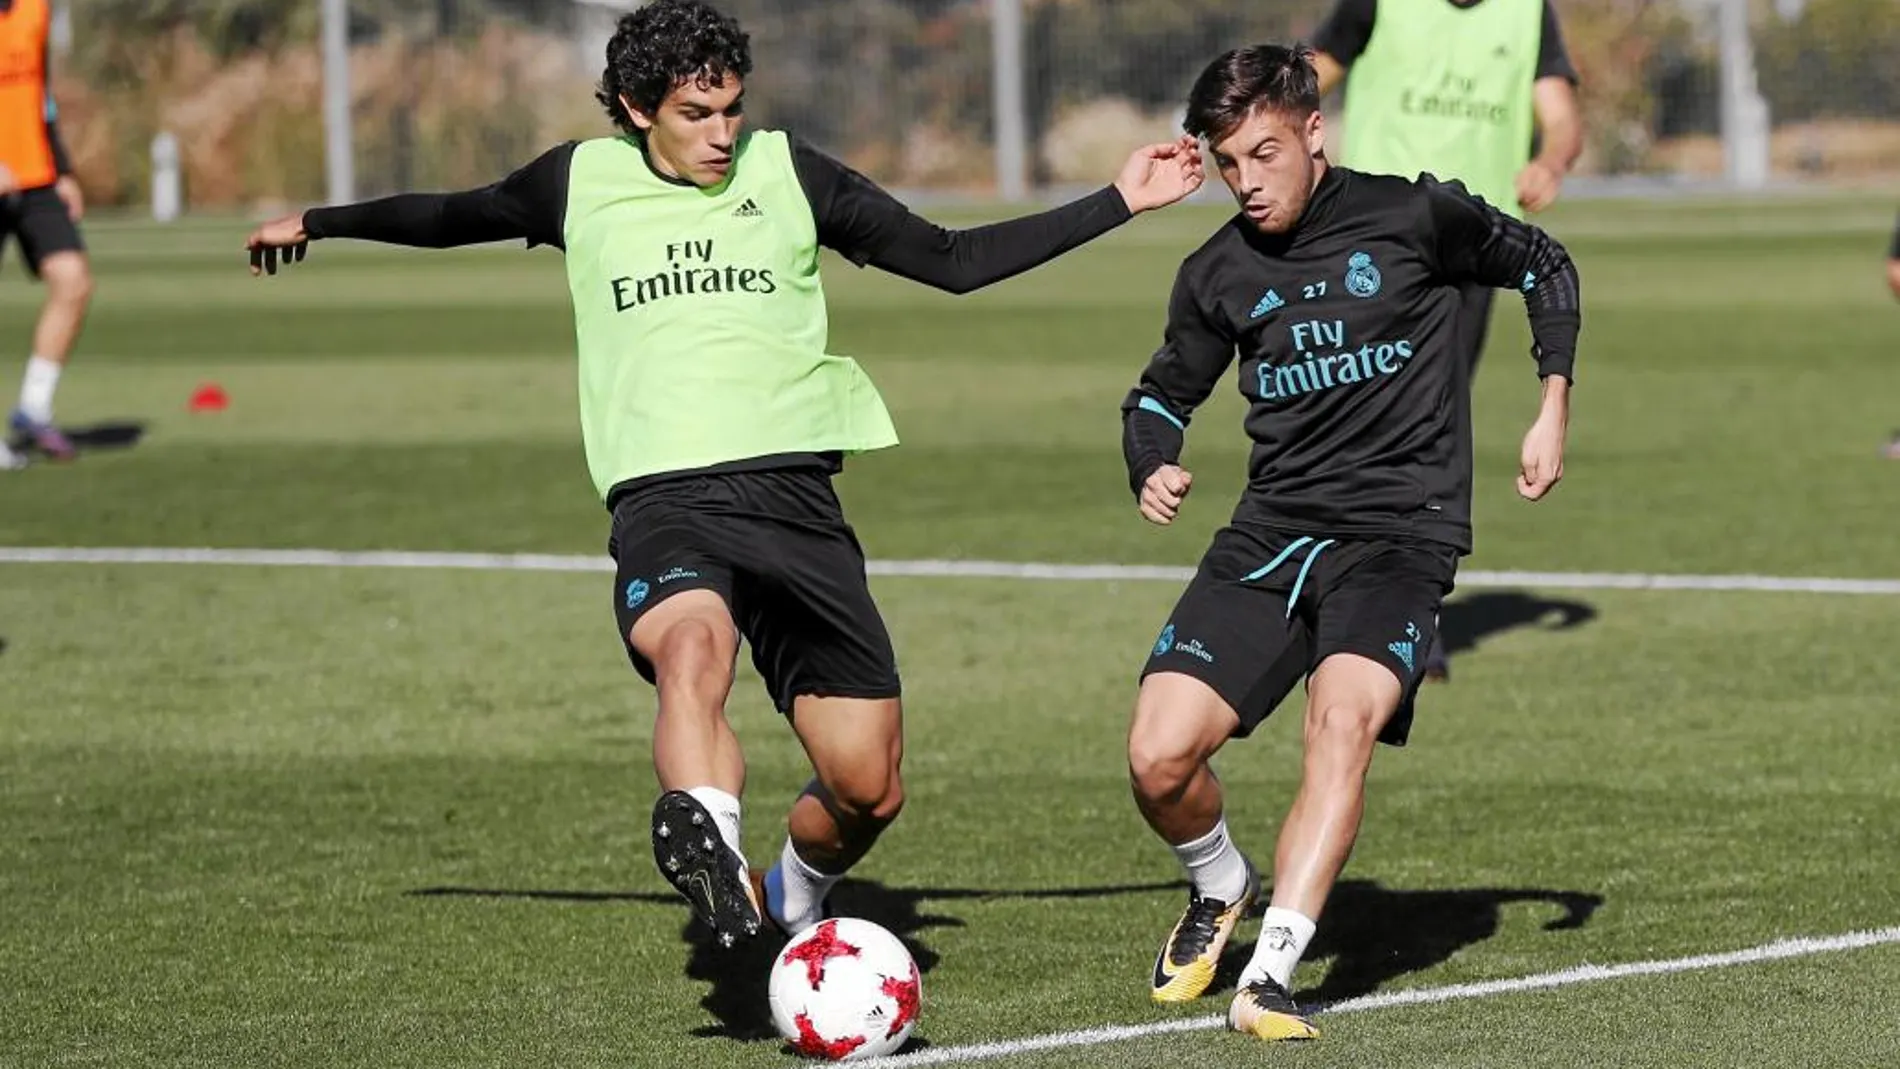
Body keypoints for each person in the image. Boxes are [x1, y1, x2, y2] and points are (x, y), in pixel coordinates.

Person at [242, 0, 1202, 952]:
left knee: (868, 785)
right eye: (696, 115)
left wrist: (1120, 199)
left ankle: (787, 889)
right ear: (634, 106)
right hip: (665, 494)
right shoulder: (576, 181)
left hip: (795, 497)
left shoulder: (789, 172)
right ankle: (710, 840)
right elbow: (454, 214)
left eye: (732, 108)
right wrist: (320, 221)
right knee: (692, 654)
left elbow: (953, 261)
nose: (722, 133)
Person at [1118, 44, 1578, 1041]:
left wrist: (1550, 403)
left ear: (1313, 133)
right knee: (1156, 759)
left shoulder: (1413, 217)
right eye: (1228, 162)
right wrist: (1149, 457)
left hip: (1398, 537)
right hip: (1271, 536)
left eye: (1264, 154)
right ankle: (1220, 880)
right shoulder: (1217, 270)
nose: (1246, 182)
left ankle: (1271, 974)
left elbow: (1542, 260)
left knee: (1340, 724)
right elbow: (1160, 391)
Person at [1311, 0, 1583, 680]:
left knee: (1431, 426)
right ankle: (1331, 591)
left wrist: (1550, 162)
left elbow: (1562, 117)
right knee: (1347, 416)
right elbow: (1306, 79)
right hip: (1369, 243)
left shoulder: (1526, 12)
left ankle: (1407, 615)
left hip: (1473, 250)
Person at [1, 0, 91, 469]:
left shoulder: (35, 8)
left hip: (34, 175)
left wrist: (62, 167)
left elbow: (40, 92)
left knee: (73, 280)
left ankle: (34, 408)